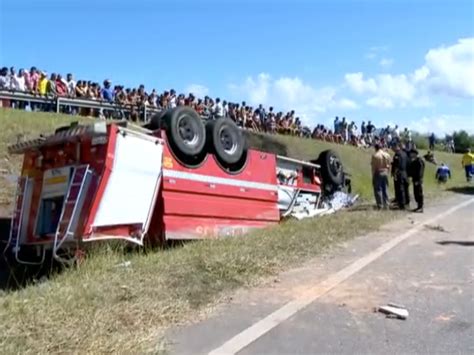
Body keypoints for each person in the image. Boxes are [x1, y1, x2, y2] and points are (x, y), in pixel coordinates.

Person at [371, 143, 391, 209]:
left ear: (376, 148)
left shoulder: (375, 156)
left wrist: (373, 175)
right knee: (385, 189)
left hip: (378, 172)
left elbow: (373, 167)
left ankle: (380, 205)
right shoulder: (387, 155)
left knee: (378, 189)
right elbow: (389, 165)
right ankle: (387, 204)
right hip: (385, 172)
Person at [391, 143, 410, 210]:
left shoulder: (397, 155)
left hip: (399, 173)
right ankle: (407, 202)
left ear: (397, 147)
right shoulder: (405, 154)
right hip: (405, 173)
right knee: (405, 188)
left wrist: (395, 174)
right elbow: (408, 163)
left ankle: (402, 205)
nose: (392, 149)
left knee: (400, 189)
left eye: (393, 147)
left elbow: (396, 165)